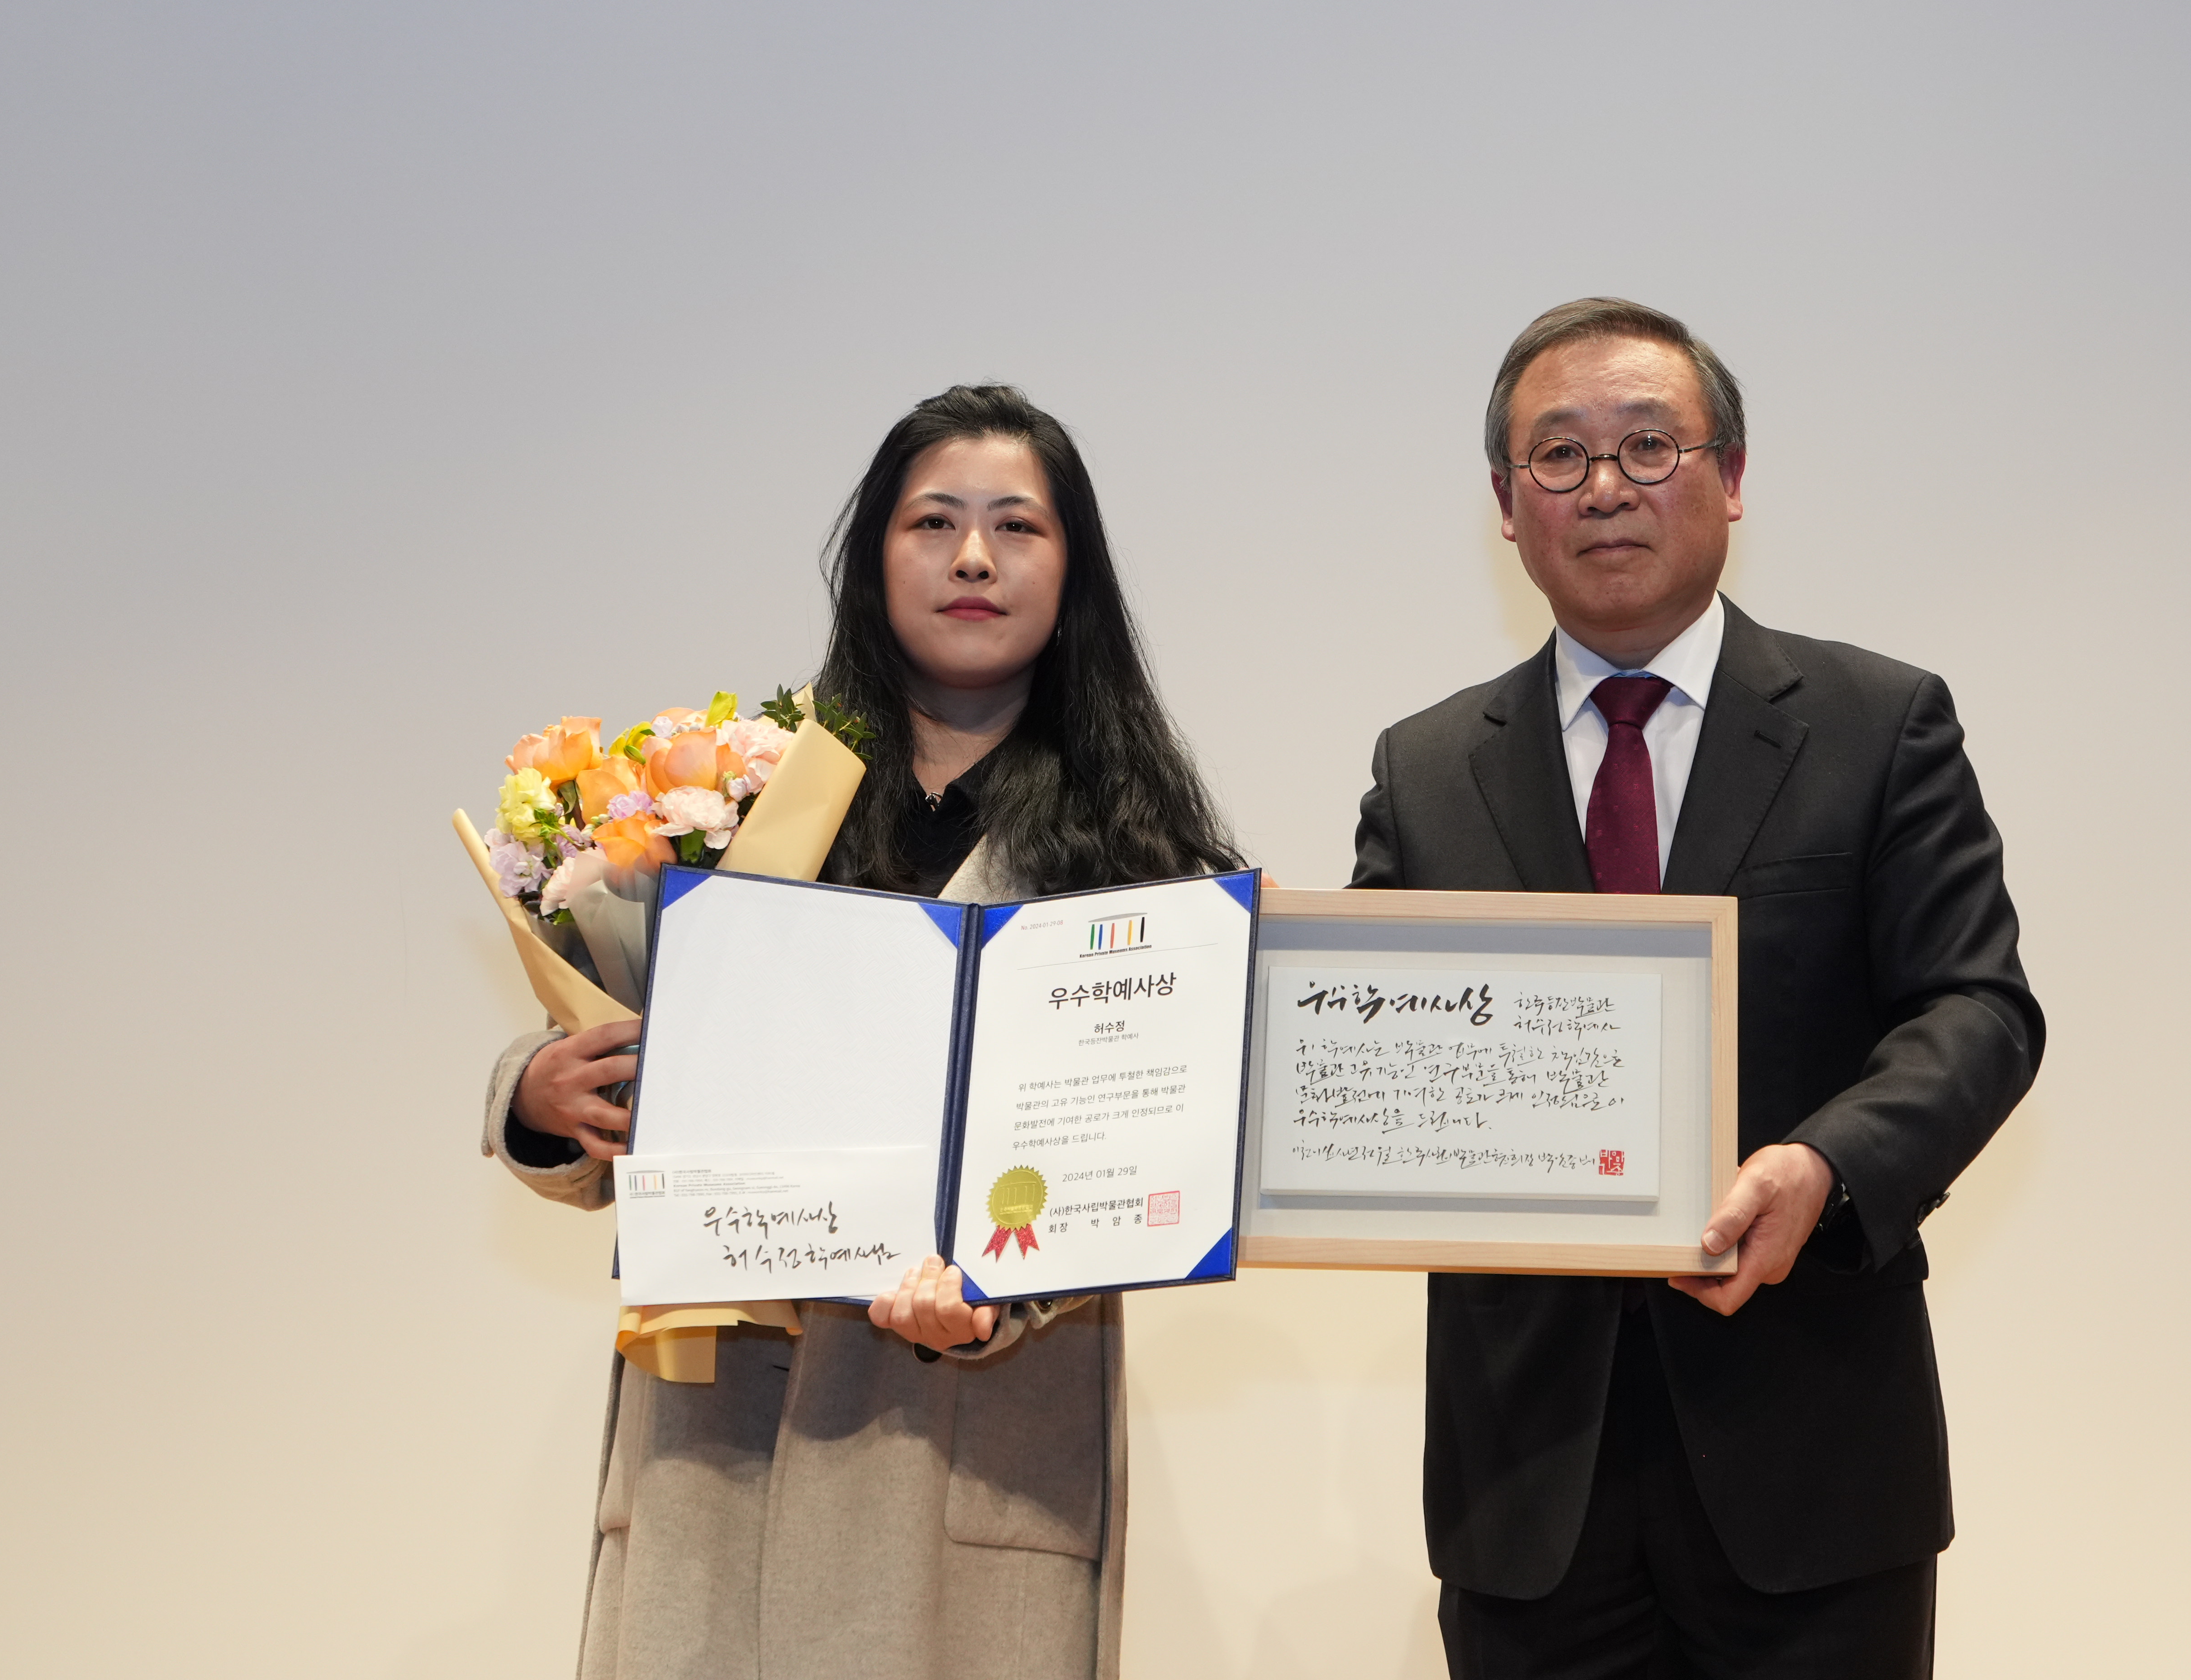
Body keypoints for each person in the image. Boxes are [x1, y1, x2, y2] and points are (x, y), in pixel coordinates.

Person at [480, 385, 1241, 1680]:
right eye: (932, 521)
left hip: (971, 1461)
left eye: (1017, 526)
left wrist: (1001, 1298)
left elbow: (1152, 1167)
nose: (973, 557)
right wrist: (543, 1094)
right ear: (874, 557)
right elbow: (611, 1042)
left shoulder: (1141, 856)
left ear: (1074, 571)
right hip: (715, 1448)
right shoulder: (742, 793)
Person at [1351, 299, 2044, 1678]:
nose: (1606, 487)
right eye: (1560, 455)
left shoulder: (1877, 724)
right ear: (1506, 504)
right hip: (1529, 1481)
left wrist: (1824, 1170)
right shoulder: (1424, 772)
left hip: (1813, 1456)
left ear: (1730, 477)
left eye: (1650, 446)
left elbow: (1977, 1009)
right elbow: (1372, 1062)